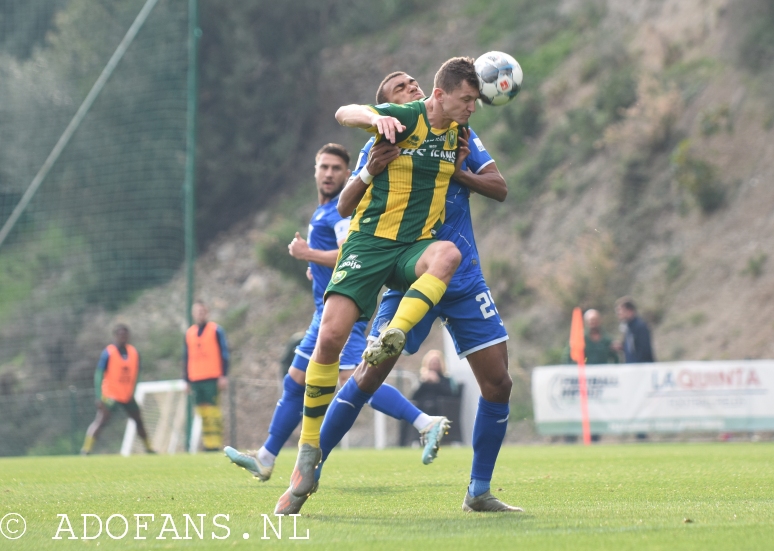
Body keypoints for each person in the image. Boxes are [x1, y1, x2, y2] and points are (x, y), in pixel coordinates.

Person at [275, 67, 521, 514]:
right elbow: (346, 201)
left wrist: (457, 171)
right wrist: (369, 165)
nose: (410, 90)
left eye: (413, 84)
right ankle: (304, 476)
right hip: (405, 267)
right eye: (399, 90)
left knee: (499, 381)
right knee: (367, 375)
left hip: (457, 269)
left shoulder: (459, 131)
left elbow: (499, 186)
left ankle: (478, 492)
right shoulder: (389, 134)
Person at [223, 143, 448, 481]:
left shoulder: (341, 213)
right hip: (320, 314)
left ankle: (424, 422)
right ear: (315, 171)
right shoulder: (323, 211)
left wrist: (308, 254)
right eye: (323, 167)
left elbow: (347, 252)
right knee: (295, 382)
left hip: (341, 314)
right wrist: (317, 266)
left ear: (347, 173)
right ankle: (267, 457)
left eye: (336, 169)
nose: (329, 174)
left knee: (356, 379)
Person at [81, 324, 154, 455]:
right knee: (101, 421)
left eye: (125, 335)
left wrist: (133, 390)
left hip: (127, 395)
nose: (123, 337)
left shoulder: (133, 352)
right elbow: (99, 374)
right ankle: (86, 449)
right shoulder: (108, 352)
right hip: (111, 395)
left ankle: (149, 448)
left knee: (138, 420)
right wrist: (99, 396)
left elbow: (137, 374)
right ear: (115, 336)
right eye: (120, 335)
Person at [184, 301, 230, 452]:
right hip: (196, 378)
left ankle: (215, 444)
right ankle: (207, 443)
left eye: (202, 311)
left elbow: (224, 353)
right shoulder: (189, 333)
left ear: (207, 312)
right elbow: (186, 357)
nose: (200, 314)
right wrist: (186, 379)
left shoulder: (216, 330)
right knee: (202, 412)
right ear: (193, 313)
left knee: (213, 412)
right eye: (197, 311)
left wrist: (223, 375)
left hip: (212, 376)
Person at [614, 297, 655, 363]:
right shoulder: (628, 327)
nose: (619, 313)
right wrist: (622, 347)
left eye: (620, 310)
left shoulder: (640, 327)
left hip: (641, 369)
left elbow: (644, 351)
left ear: (629, 311)